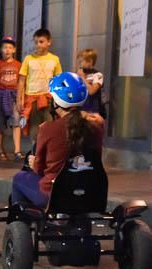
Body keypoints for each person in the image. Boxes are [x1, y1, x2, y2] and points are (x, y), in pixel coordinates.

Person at [12, 72, 104, 208]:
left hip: (55, 195)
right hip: (90, 192)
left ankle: (22, 221)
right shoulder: (97, 125)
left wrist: (34, 164)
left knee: (19, 178)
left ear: (56, 102)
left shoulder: (48, 129)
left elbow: (40, 169)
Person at [18, 28, 62, 144]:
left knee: (50, 126)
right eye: (36, 42)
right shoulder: (28, 59)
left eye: (41, 41)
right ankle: (35, 155)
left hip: (49, 99)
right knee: (34, 129)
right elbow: (22, 80)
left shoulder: (55, 59)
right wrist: (19, 99)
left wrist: (58, 100)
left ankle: (47, 155)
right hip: (32, 99)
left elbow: (58, 80)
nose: (38, 45)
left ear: (49, 42)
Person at [0, 36, 23, 161]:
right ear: (1, 50)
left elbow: (21, 84)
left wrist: (21, 99)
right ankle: (0, 150)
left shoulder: (19, 65)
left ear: (14, 50)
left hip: (14, 96)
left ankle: (17, 151)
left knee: (16, 122)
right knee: (0, 125)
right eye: (5, 47)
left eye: (10, 47)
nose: (7, 50)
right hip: (0, 95)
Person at [76, 48, 105, 117]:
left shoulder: (98, 75)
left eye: (81, 61)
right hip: (80, 110)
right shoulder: (79, 74)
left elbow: (92, 91)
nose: (79, 64)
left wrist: (83, 78)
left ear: (90, 62)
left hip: (93, 111)